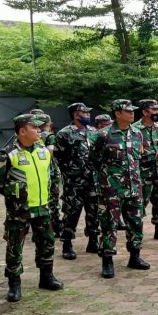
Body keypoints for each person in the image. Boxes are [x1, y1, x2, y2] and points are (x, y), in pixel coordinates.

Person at [0, 113, 64, 302]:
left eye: (40, 127)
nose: (39, 130)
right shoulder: (8, 153)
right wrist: (15, 193)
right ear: (22, 131)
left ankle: (46, 278)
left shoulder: (43, 150)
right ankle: (14, 284)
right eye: (34, 127)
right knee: (15, 247)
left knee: (47, 242)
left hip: (43, 207)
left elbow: (53, 174)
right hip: (20, 211)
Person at [90, 99, 149, 278]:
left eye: (133, 111)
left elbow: (139, 157)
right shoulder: (103, 135)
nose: (132, 113)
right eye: (128, 111)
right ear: (117, 113)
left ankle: (135, 256)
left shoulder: (138, 133)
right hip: (111, 189)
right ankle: (107, 260)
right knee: (109, 224)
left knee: (136, 223)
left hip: (134, 187)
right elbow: (94, 160)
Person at [54, 102, 99, 260]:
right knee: (71, 212)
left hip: (93, 179)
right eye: (84, 113)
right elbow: (58, 156)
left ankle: (93, 241)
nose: (88, 115)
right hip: (74, 182)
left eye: (88, 113)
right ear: (75, 114)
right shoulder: (64, 134)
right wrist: (70, 172)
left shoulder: (94, 131)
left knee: (94, 211)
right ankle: (67, 244)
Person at [132, 99, 158, 241]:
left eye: (157, 110)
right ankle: (136, 233)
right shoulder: (135, 129)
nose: (157, 113)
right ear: (145, 112)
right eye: (154, 110)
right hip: (142, 172)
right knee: (140, 202)